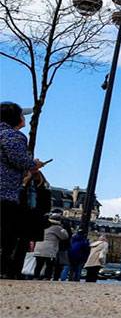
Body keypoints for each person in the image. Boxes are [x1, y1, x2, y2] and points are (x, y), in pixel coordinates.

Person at [0, 102, 45, 279]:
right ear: (16, 118)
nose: (24, 117)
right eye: (22, 114)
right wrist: (35, 165)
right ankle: (3, 268)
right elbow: (20, 161)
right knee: (7, 233)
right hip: (6, 191)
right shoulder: (13, 136)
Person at [32, 214, 68, 280]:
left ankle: (35, 277)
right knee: (49, 265)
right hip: (49, 249)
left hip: (39, 247)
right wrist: (63, 229)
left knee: (39, 264)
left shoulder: (43, 225)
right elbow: (65, 236)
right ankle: (46, 277)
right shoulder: (57, 227)